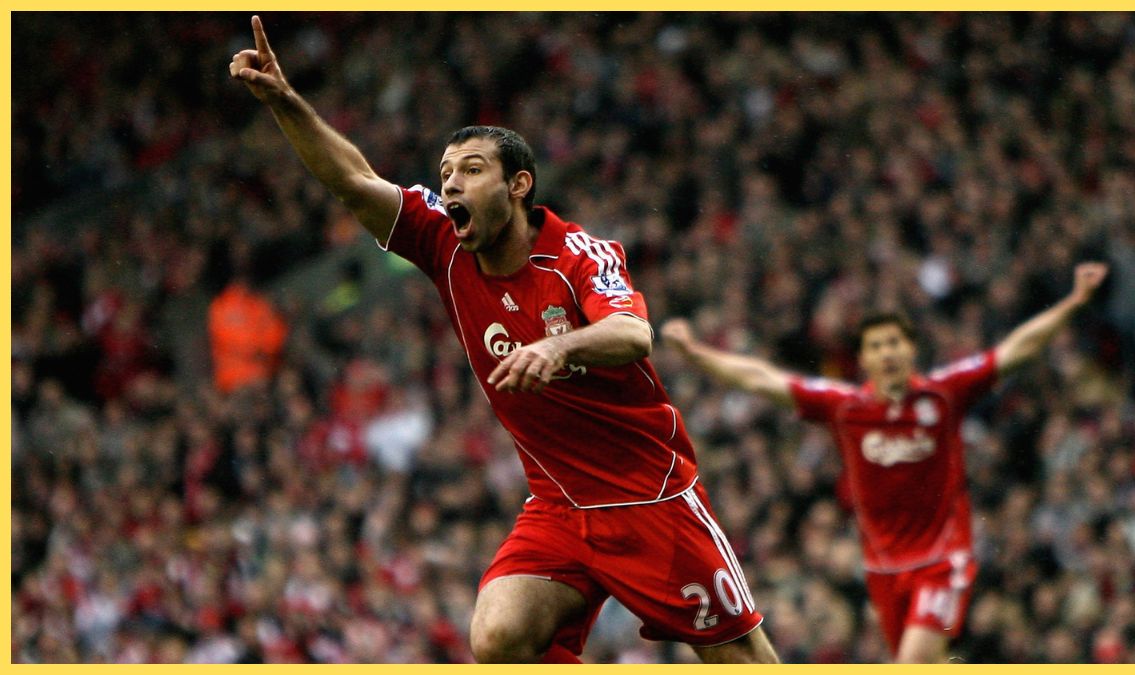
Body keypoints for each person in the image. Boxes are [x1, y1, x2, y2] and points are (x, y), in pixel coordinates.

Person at [229, 16, 778, 664]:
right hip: (557, 502)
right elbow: (352, 179)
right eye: (446, 171)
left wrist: (559, 347)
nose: (452, 183)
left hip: (647, 494)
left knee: (740, 658)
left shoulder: (577, 254)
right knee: (497, 637)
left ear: (518, 185)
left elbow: (634, 332)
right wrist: (286, 101)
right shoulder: (440, 241)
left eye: (472, 168)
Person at [661, 262, 1109, 663]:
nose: (888, 353)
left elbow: (1016, 351)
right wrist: (696, 354)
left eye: (895, 342)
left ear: (911, 350)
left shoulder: (944, 393)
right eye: (877, 346)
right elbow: (764, 380)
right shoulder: (846, 408)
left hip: (943, 558)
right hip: (883, 567)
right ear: (864, 359)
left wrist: (1074, 301)